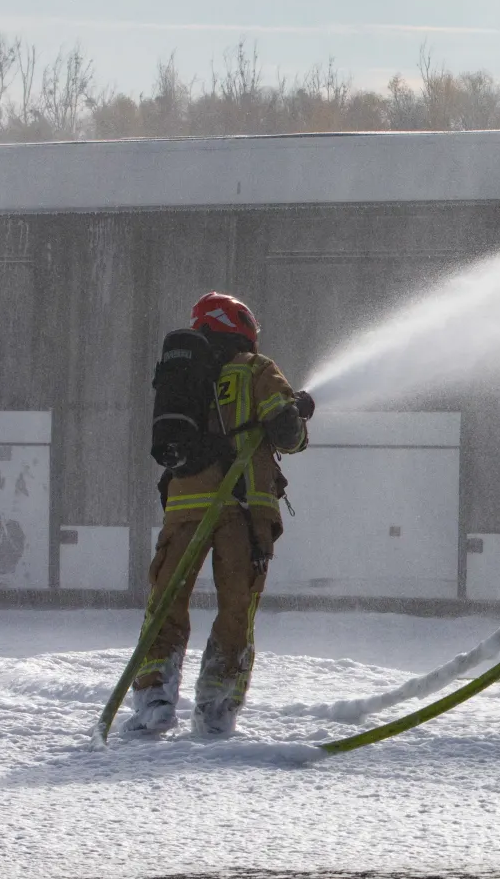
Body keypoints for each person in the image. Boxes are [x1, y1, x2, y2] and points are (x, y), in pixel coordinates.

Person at [125, 292, 314, 735]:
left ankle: (153, 700)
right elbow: (288, 436)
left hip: (184, 504)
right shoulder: (256, 368)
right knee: (236, 607)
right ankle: (216, 708)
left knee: (166, 602)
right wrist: (298, 410)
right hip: (242, 507)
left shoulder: (187, 375)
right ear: (243, 328)